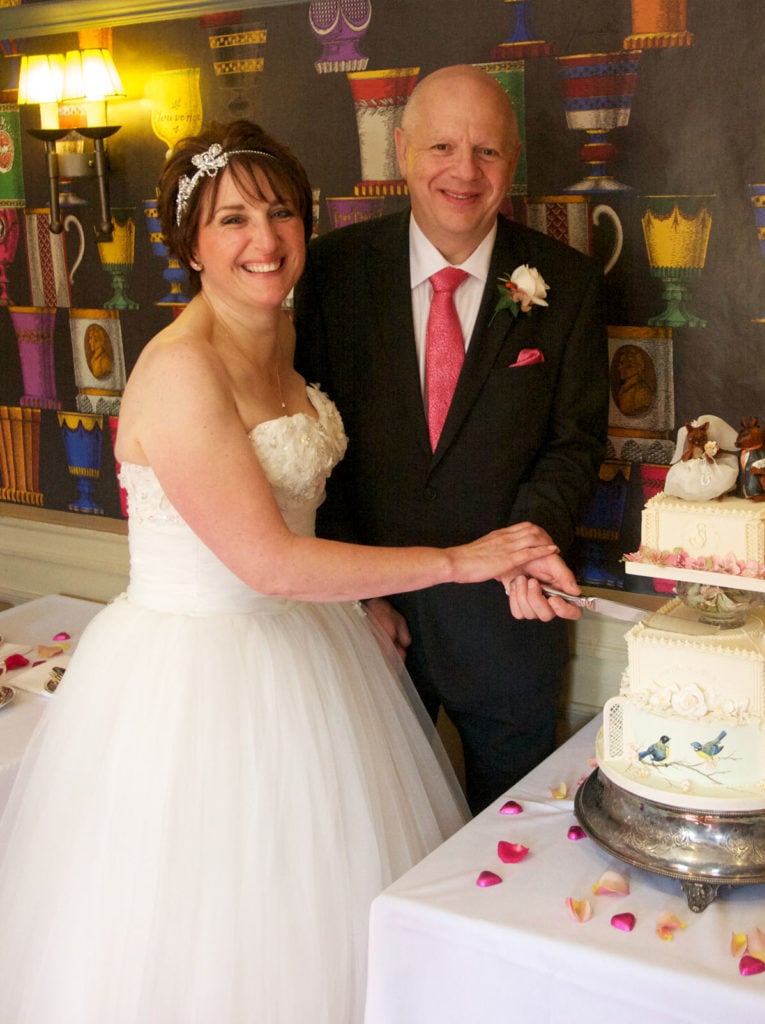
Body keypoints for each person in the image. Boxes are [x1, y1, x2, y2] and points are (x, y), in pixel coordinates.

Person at [0, 121, 566, 1024]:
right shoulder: (181, 371)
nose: (264, 240)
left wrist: (371, 592)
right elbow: (268, 558)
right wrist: (462, 560)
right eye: (232, 220)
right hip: (200, 676)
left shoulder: (282, 333)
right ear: (189, 243)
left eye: (280, 213)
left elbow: (305, 501)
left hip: (311, 647)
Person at [294, 64, 608, 813]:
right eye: (441, 146)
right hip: (372, 625)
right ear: (401, 150)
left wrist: (531, 546)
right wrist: (356, 599)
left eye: (488, 152)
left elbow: (573, 441)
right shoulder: (332, 272)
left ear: (515, 160)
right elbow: (311, 440)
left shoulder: (567, 283)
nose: (463, 171)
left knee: (513, 860)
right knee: (370, 840)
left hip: (507, 625)